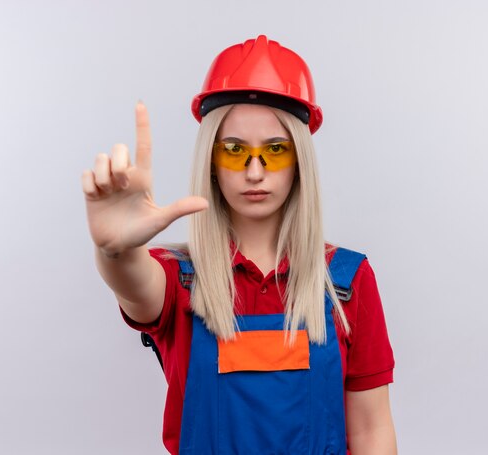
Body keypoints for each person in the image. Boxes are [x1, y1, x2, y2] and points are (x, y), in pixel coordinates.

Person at [82, 35, 397, 455]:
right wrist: (114, 250)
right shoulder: (177, 279)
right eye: (234, 151)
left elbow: (372, 432)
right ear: (211, 161)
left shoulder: (348, 281)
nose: (254, 171)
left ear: (299, 161)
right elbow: (133, 281)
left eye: (275, 150)